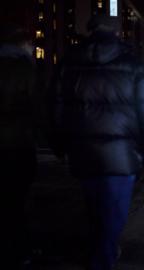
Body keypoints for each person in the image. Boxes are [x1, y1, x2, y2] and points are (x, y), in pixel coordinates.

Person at [50, 15, 144, 270]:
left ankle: (101, 250)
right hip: (122, 152)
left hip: (83, 149)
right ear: (118, 32)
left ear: (90, 30)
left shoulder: (70, 61)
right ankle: (103, 258)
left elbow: (55, 105)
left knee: (94, 208)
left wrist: (60, 143)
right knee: (114, 213)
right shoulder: (132, 63)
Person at [0, 23, 39, 269]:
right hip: (16, 144)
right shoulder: (25, 69)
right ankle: (18, 250)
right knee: (15, 201)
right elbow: (37, 107)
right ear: (24, 44)